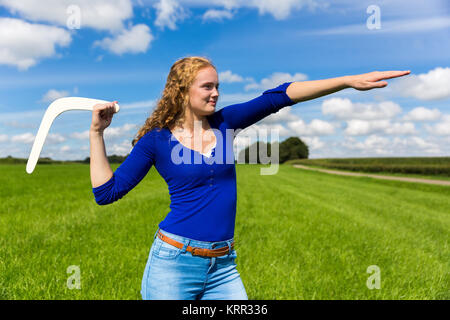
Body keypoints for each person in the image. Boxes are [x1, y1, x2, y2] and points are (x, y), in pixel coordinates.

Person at [89, 56, 410, 300]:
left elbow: (278, 96)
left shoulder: (225, 122)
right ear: (182, 90)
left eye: (217, 86)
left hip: (223, 265)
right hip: (174, 262)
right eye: (207, 86)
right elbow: (107, 192)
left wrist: (347, 80)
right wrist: (96, 133)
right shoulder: (156, 140)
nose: (216, 93)